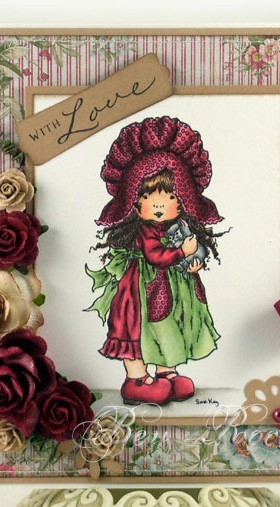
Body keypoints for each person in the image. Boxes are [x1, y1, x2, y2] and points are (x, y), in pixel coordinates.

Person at [86, 116, 224, 406]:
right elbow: (155, 256)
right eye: (148, 196)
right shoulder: (147, 231)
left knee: (170, 325)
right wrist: (182, 252)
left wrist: (193, 262)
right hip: (142, 288)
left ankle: (166, 373)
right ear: (134, 202)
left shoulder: (178, 227)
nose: (159, 204)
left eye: (170, 195)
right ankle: (136, 379)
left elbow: (189, 253)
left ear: (183, 199)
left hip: (171, 285)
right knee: (141, 328)